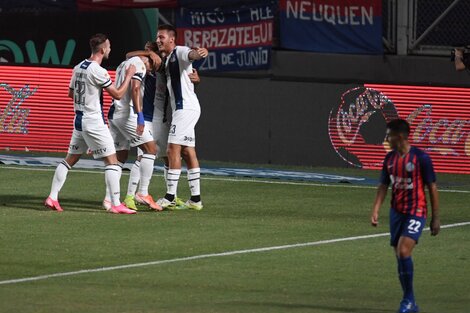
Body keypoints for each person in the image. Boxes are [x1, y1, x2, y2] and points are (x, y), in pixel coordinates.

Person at [45, 33, 137, 214]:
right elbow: (118, 94)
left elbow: (71, 94)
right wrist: (129, 76)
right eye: (109, 46)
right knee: (112, 160)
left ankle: (52, 197)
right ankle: (116, 204)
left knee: (70, 159)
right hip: (93, 121)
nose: (110, 49)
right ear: (103, 49)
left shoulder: (78, 67)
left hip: (79, 120)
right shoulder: (98, 70)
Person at [371, 119, 440, 313]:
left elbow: (432, 187)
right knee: (399, 255)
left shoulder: (421, 158)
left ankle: (408, 300)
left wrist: (436, 217)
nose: (386, 138)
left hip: (416, 211)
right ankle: (410, 301)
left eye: (389, 135)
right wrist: (376, 209)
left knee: (403, 251)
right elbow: (383, 185)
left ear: (399, 136)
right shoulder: (390, 159)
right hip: (396, 212)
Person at [123, 42, 201, 210]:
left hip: (163, 121)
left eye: (152, 51)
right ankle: (130, 196)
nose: (148, 56)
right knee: (142, 156)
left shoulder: (166, 69)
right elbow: (128, 55)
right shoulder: (143, 66)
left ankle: (171, 196)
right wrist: (148, 53)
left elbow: (185, 73)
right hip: (148, 120)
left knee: (169, 157)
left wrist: (196, 77)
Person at [155, 24, 208, 211]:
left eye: (161, 37)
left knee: (172, 150)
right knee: (187, 152)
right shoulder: (168, 58)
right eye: (157, 37)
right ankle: (196, 199)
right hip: (187, 107)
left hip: (185, 109)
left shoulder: (179, 52)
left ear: (171, 39)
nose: (158, 40)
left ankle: (170, 196)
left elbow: (191, 55)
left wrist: (200, 53)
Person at [106, 49, 162, 211]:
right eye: (153, 65)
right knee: (150, 150)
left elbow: (128, 54)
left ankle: (109, 199)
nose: (151, 69)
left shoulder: (124, 64)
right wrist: (140, 116)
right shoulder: (140, 65)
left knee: (118, 158)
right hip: (126, 114)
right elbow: (135, 88)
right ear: (149, 59)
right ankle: (142, 192)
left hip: (114, 113)